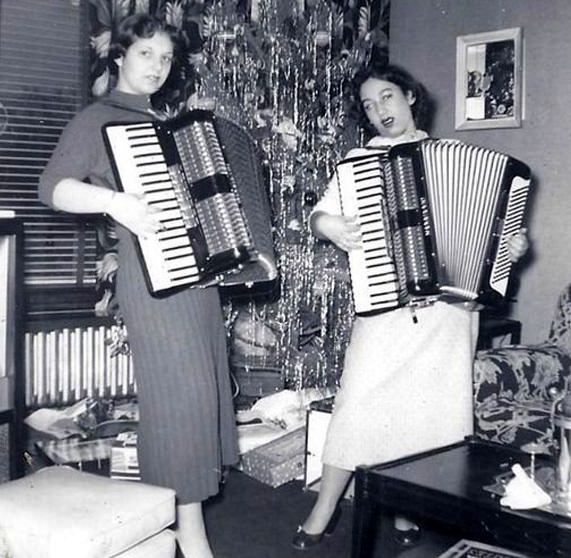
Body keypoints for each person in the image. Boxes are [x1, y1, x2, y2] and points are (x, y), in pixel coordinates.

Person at [292, 63, 529, 550]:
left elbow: (498, 237)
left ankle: (405, 513)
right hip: (386, 304)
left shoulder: (457, 156)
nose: (380, 111)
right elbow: (320, 213)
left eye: (387, 98)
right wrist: (328, 226)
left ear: (410, 98)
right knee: (355, 405)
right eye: (369, 105)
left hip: (449, 311)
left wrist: (514, 245)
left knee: (430, 418)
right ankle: (325, 507)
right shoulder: (360, 163)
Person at [38, 14, 238, 558]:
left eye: (166, 58)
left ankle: (172, 528)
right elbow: (51, 188)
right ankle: (192, 542)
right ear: (120, 57)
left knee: (203, 398)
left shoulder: (167, 122)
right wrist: (113, 202)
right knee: (180, 403)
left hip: (195, 278)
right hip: (150, 280)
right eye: (146, 54)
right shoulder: (97, 118)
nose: (156, 66)